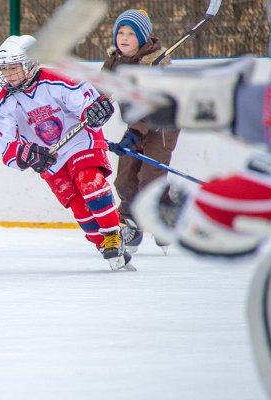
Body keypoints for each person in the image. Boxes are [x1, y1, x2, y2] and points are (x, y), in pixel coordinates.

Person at [116, 0, 271, 397]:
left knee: (150, 174)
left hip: (158, 137)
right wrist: (210, 100)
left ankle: (146, 217)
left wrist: (220, 208)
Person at [0, 35, 132, 271]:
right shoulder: (2, 105)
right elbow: (8, 149)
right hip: (48, 155)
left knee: (89, 182)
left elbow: (87, 105)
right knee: (76, 202)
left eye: (13, 68)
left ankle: (112, 233)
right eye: (4, 69)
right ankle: (104, 245)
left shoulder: (60, 80)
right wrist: (27, 155)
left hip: (79, 141)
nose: (8, 75)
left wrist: (95, 111)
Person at [101, 9, 181, 253]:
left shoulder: (154, 65)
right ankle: (130, 223)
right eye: (120, 33)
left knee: (149, 178)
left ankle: (164, 212)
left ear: (143, 38)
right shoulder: (115, 62)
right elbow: (101, 91)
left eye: (131, 34)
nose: (123, 38)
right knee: (124, 177)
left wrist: (134, 132)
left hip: (163, 124)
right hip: (135, 122)